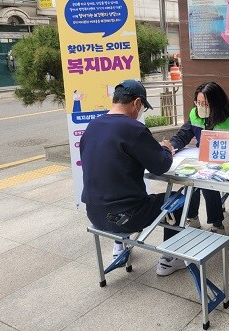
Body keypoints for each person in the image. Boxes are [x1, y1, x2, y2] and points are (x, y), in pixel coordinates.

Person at [80, 79, 186, 277]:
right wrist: (166, 148)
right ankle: (170, 259)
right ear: (137, 102)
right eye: (142, 107)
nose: (140, 112)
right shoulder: (133, 129)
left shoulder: (92, 127)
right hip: (126, 217)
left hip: (94, 213)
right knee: (178, 200)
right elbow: (161, 165)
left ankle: (120, 248)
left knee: (119, 194)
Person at [169, 82, 229, 234]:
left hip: (226, 160)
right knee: (189, 178)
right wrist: (171, 147)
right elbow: (182, 136)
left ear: (217, 104)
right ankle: (192, 217)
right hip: (202, 157)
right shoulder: (195, 114)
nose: (200, 107)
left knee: (206, 181)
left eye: (205, 104)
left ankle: (217, 223)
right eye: (198, 103)